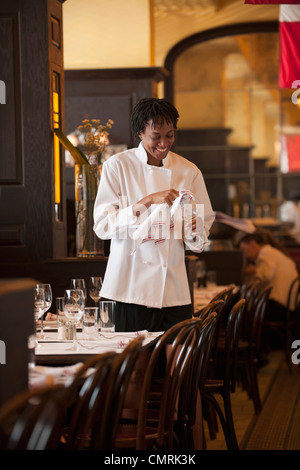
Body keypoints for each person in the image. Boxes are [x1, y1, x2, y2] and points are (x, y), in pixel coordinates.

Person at [93, 97, 215, 333]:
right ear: (140, 132)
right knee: (137, 368)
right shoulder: (118, 166)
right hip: (130, 288)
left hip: (174, 290)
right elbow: (102, 225)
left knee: (178, 366)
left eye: (169, 135)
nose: (164, 143)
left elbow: (200, 238)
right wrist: (146, 202)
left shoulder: (188, 171)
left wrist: (193, 230)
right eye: (156, 136)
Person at [238, 231, 298, 321]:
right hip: (291, 305)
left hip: (279, 306)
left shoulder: (265, 254)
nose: (245, 255)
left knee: (243, 312)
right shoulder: (273, 252)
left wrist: (252, 272)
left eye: (243, 250)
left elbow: (266, 276)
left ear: (252, 244)